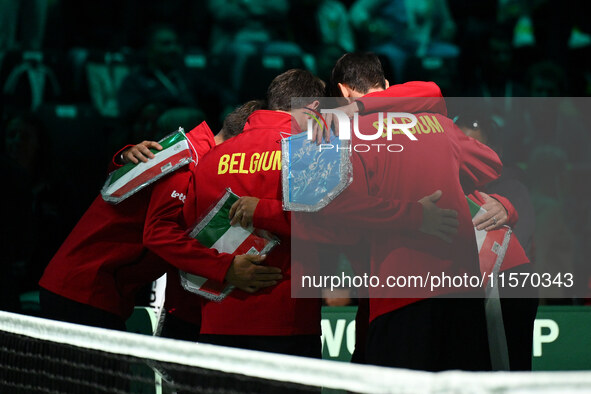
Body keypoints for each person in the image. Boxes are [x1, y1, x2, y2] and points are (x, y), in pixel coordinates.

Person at [324, 53, 502, 371]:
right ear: (388, 85)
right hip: (461, 294)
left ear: (343, 91)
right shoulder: (440, 125)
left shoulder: (347, 132)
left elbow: (340, 211)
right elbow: (490, 164)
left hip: (397, 296)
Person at [38, 101, 265, 331]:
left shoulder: (186, 153)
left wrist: (122, 156)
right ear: (244, 143)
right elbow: (159, 233)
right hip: (84, 290)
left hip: (93, 291)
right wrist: (226, 268)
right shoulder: (186, 161)